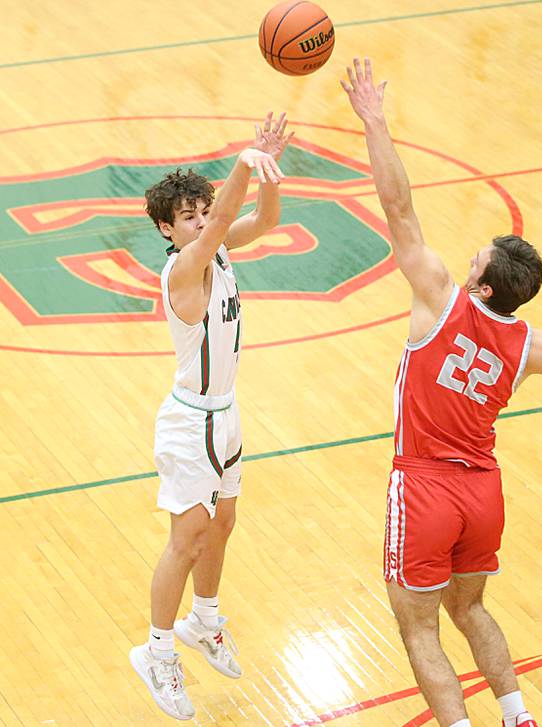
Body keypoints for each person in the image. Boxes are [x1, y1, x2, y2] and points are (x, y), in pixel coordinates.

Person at [341, 59, 542, 727]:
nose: (470, 256)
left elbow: (399, 207)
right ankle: (518, 715)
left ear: (485, 286)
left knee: (419, 628)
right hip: (483, 490)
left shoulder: (438, 298)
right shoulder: (529, 345)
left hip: (427, 485)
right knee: (471, 607)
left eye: (479, 259)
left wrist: (375, 122)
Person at [129, 113, 293, 720]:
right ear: (167, 229)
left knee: (222, 526)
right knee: (186, 539)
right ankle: (157, 651)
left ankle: (204, 623)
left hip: (225, 415)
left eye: (204, 209)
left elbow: (265, 219)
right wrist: (243, 162)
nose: (203, 220)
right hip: (188, 421)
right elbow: (227, 218)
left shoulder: (219, 250)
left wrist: (268, 171)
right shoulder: (184, 268)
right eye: (189, 216)